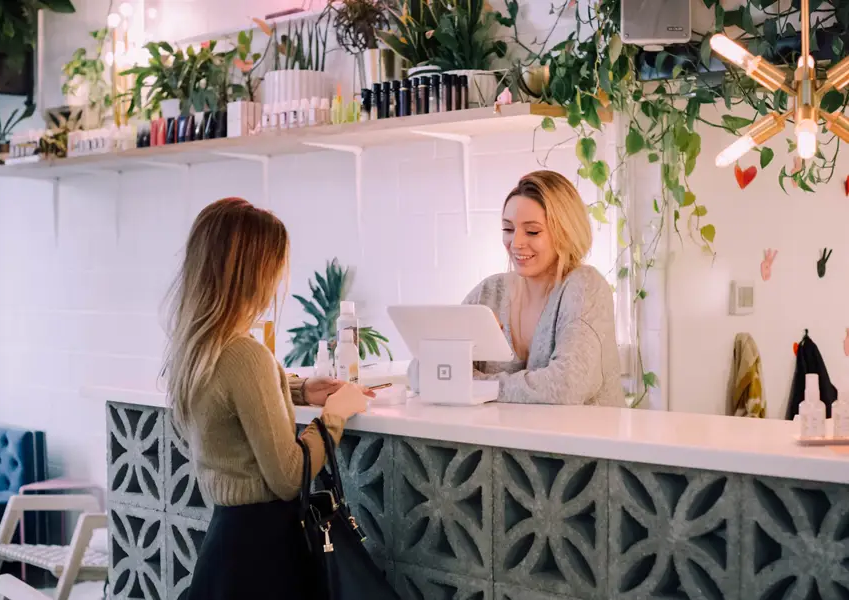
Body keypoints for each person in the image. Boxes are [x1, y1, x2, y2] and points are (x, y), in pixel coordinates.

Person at [162, 197, 372, 600]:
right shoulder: (245, 355)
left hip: (225, 546)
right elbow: (289, 476)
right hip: (262, 556)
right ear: (255, 273)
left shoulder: (198, 347)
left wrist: (296, 389)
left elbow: (232, 393)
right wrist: (335, 414)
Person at [415, 170, 624, 406]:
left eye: (532, 231)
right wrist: (466, 345)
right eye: (508, 229)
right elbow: (421, 373)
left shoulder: (585, 287)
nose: (516, 243)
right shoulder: (490, 292)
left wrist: (476, 386)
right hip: (505, 440)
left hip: (584, 440)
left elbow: (567, 385)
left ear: (566, 232)